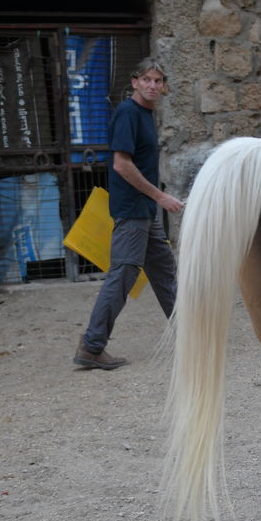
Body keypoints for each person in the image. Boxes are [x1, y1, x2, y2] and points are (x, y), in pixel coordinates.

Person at [73, 57, 184, 370]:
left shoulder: (145, 115)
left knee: (165, 272)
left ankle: (189, 335)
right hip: (133, 211)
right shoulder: (128, 113)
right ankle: (92, 346)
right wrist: (161, 196)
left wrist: (155, 201)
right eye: (146, 79)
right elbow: (122, 164)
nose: (152, 85)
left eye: (158, 81)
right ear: (134, 82)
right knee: (122, 275)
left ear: (164, 87)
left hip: (144, 211)